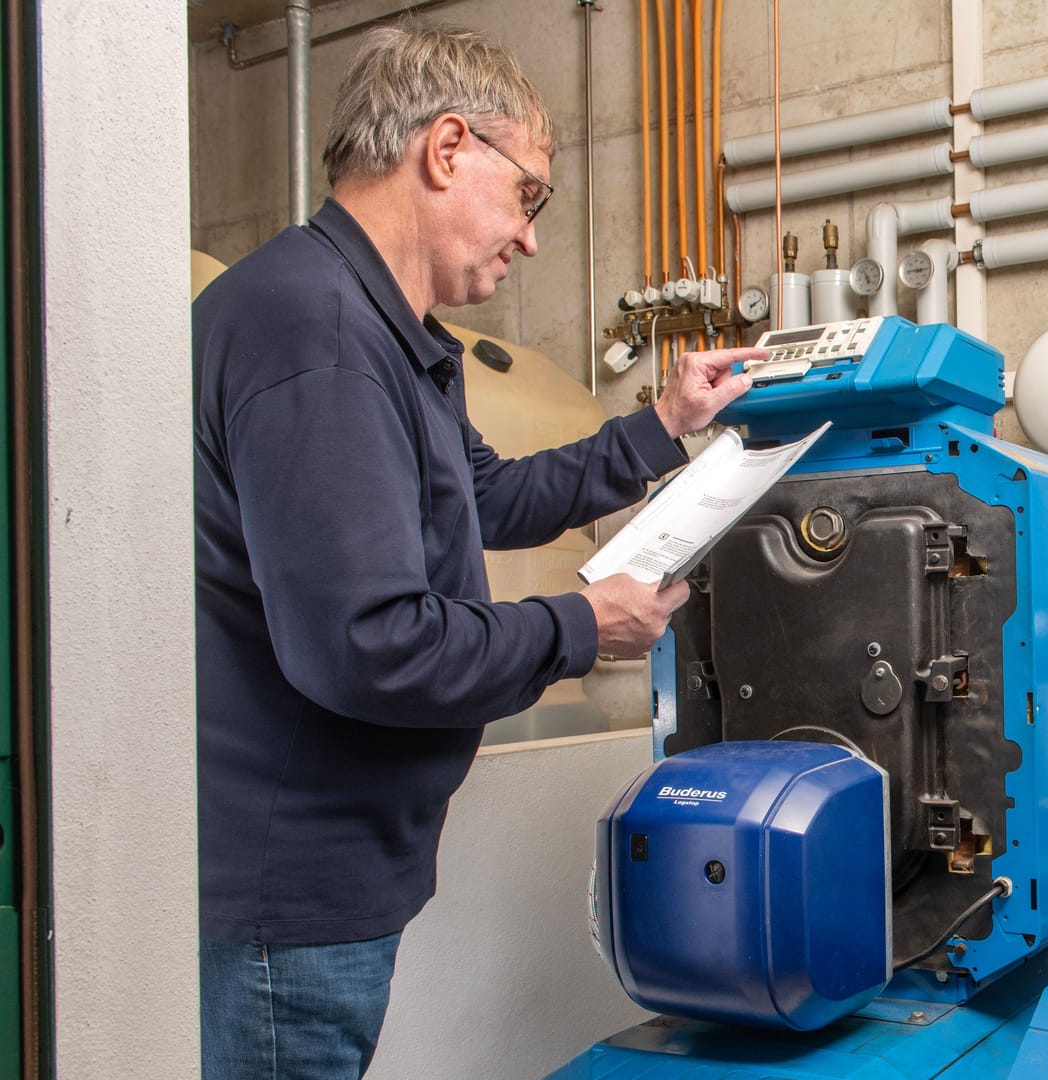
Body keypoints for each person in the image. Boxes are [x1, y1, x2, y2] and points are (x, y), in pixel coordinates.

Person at [192, 22, 762, 1080]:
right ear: (446, 149)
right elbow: (367, 645)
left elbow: (489, 495)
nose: (532, 237)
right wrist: (583, 628)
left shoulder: (380, 330)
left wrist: (665, 424)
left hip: (347, 867)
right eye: (530, 194)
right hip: (294, 885)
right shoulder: (313, 331)